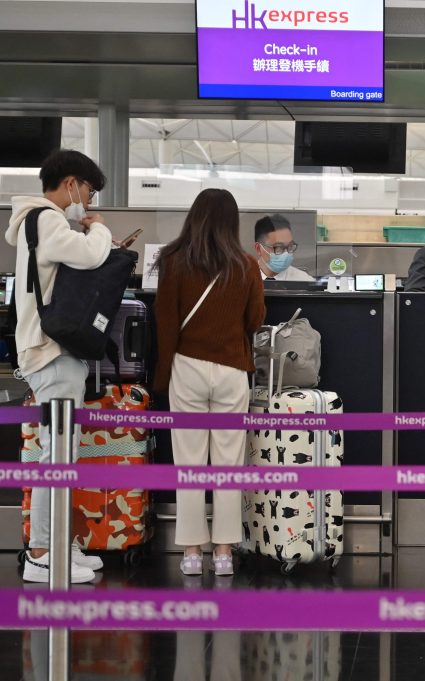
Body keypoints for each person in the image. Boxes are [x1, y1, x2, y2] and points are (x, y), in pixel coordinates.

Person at [6, 150, 112, 583]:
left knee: (60, 454)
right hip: (51, 353)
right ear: (71, 183)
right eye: (87, 189)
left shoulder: (38, 221)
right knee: (58, 457)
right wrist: (100, 230)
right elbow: (91, 257)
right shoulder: (47, 219)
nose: (87, 200)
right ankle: (42, 553)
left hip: (46, 351)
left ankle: (57, 543)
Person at [154, 188, 265, 577]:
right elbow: (255, 320)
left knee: (190, 464)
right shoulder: (246, 265)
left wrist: (162, 376)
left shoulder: (172, 260)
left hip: (187, 367)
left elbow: (165, 324)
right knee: (228, 464)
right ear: (231, 222)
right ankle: (223, 552)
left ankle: (190, 550)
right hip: (232, 369)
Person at [254, 214, 314, 282]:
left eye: (290, 246)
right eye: (278, 247)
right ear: (258, 249)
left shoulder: (304, 281)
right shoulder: (242, 280)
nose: (286, 253)